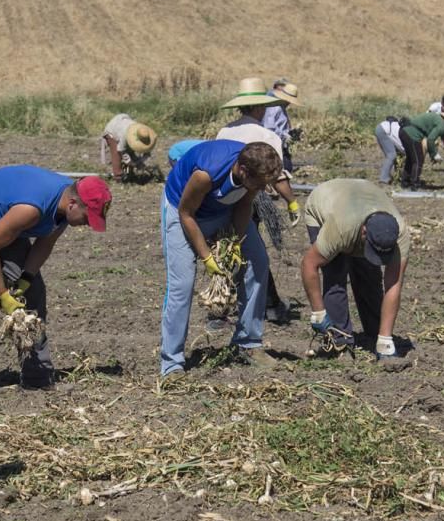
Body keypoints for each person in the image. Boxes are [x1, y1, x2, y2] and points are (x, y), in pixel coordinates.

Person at [0, 166, 112, 414]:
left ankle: (37, 376)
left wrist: (25, 280)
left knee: (34, 294)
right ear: (74, 203)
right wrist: (2, 295)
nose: (87, 224)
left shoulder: (63, 210)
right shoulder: (33, 209)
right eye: (88, 217)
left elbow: (45, 243)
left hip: (6, 221)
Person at [159, 140, 283, 378]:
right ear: (243, 171)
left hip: (224, 210)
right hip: (182, 211)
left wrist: (235, 242)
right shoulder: (206, 174)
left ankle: (247, 343)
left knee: (258, 262)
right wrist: (206, 256)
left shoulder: (252, 174)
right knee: (181, 285)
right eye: (259, 184)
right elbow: (186, 214)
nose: (263, 189)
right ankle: (171, 362)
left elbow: (245, 203)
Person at [301, 179, 412, 370]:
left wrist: (386, 341)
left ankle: (377, 336)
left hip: (360, 199)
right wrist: (318, 313)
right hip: (325, 201)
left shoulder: (400, 234)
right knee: (335, 274)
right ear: (364, 232)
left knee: (369, 274)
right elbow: (309, 265)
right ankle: (339, 341)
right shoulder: (340, 228)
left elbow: (394, 285)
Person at [217, 79, 302, 323]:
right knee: (253, 252)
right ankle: (269, 305)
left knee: (226, 248)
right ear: (259, 108)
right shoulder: (265, 135)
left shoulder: (224, 131)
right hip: (252, 198)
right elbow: (276, 176)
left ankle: (219, 307)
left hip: (224, 197)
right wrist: (292, 203)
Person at [399, 109, 444, 189]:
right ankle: (414, 184)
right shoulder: (442, 125)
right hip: (412, 134)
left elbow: (443, 137)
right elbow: (430, 140)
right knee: (418, 160)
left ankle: (405, 183)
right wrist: (434, 154)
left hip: (404, 131)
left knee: (411, 159)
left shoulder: (439, 120)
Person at [262, 79, 302, 172]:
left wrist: (291, 133)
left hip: (280, 145)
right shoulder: (276, 108)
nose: (289, 103)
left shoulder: (281, 108)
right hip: (275, 147)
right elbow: (269, 127)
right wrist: (285, 136)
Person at [102, 114, 158, 180]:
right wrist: (129, 161)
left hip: (123, 122)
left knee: (130, 152)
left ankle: (130, 174)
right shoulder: (124, 134)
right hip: (112, 130)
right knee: (116, 155)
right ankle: (118, 176)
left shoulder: (145, 135)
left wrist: (139, 162)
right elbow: (121, 149)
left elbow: (147, 153)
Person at [374, 116, 405, 184]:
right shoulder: (403, 136)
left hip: (382, 128)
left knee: (395, 155)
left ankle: (397, 176)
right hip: (383, 130)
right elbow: (402, 150)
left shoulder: (404, 132)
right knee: (392, 154)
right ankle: (383, 179)